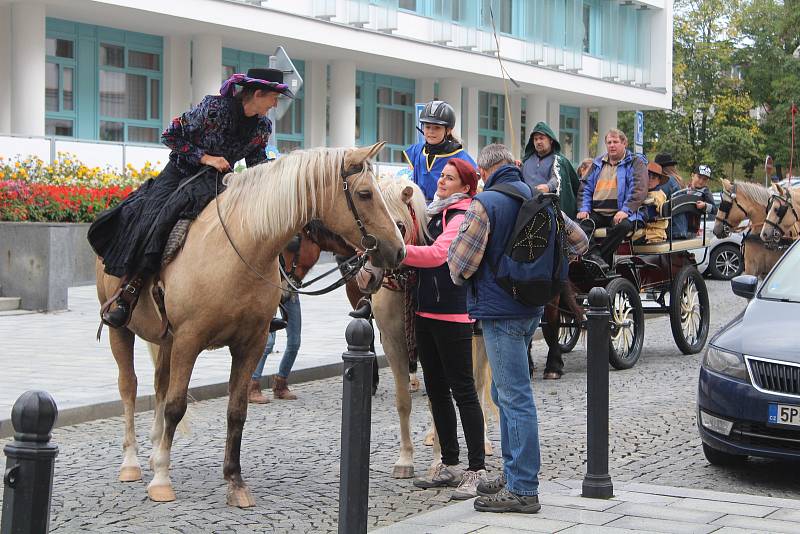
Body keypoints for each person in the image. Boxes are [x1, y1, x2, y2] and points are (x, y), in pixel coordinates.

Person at [89, 68, 293, 328]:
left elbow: (257, 163)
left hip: (217, 182)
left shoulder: (263, 126)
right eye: (274, 97)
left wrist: (277, 179)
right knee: (156, 220)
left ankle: (262, 303)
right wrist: (206, 158)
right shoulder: (213, 109)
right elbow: (170, 135)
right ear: (258, 93)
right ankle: (129, 291)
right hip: (180, 174)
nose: (276, 104)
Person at [448, 144, 547, 514]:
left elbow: (459, 262)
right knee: (508, 396)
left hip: (500, 311)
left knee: (514, 397)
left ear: (486, 171)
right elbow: (579, 241)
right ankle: (512, 473)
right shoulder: (536, 198)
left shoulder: (485, 203)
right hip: (530, 308)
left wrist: (464, 277)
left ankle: (523, 488)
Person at [407, 158, 487, 500]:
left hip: (454, 315)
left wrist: (398, 252)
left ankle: (476, 469)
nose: (442, 181)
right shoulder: (436, 212)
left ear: (465, 188)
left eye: (450, 178)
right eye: (442, 175)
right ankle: (450, 463)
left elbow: (440, 255)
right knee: (436, 391)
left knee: (464, 391)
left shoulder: (462, 215)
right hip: (427, 312)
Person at [576, 129, 647, 267]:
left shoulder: (635, 163)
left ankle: (598, 258)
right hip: (598, 212)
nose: (612, 145)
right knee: (579, 225)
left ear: (624, 143)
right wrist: (584, 208)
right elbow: (585, 188)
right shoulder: (597, 163)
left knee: (623, 226)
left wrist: (626, 210)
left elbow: (639, 189)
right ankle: (594, 256)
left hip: (623, 212)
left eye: (615, 142)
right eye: (609, 142)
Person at [403, 100, 476, 202]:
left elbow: (474, 177)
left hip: (445, 208)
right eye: (427, 127)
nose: (431, 131)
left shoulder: (458, 154)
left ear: (448, 130)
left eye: (437, 127)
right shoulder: (416, 150)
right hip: (418, 207)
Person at [249, 292, 302, 403]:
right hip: (269, 290)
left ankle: (280, 384)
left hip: (290, 290)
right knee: (267, 343)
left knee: (295, 342)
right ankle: (252, 386)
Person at [521, 122, 581, 218]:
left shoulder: (559, 161)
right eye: (535, 139)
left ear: (551, 140)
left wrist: (548, 187)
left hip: (549, 211)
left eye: (541, 138)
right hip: (525, 208)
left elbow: (557, 178)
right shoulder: (526, 161)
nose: (538, 142)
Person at [638, 162, 669, 244]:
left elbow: (648, 214)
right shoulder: (645, 192)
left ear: (659, 181)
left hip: (654, 234)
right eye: (648, 176)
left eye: (654, 177)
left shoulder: (657, 196)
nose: (650, 180)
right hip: (645, 232)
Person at [687, 165, 718, 232]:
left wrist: (705, 205)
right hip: (680, 226)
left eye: (704, 179)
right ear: (692, 175)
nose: (701, 181)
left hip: (693, 229)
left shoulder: (706, 192)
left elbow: (715, 209)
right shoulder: (685, 188)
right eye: (699, 177)